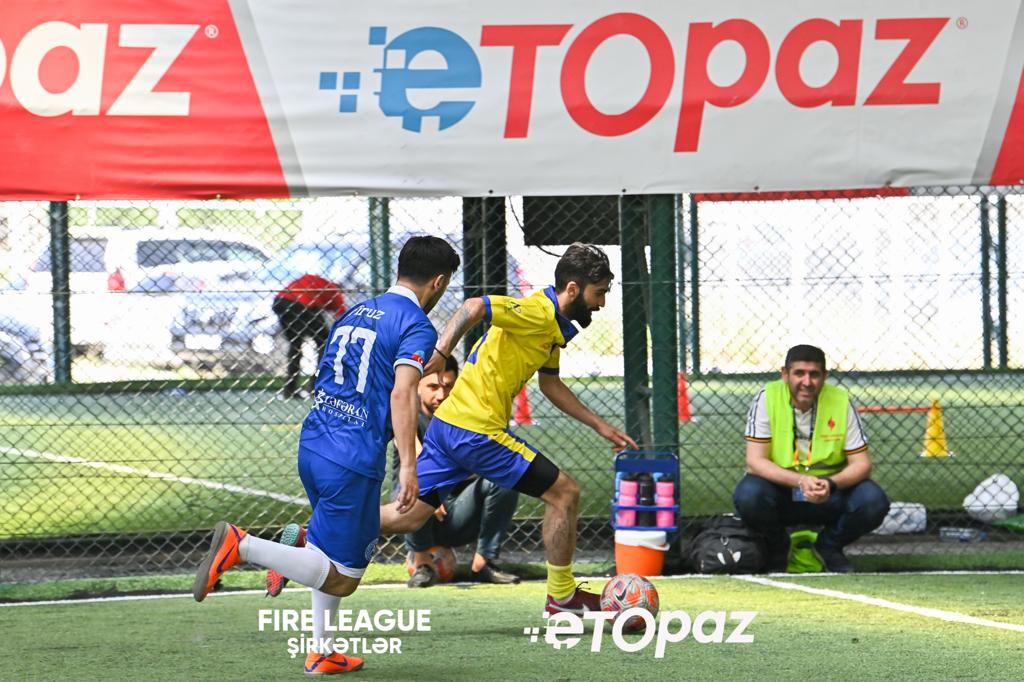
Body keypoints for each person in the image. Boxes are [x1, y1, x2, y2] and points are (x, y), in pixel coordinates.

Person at [192, 236, 459, 675]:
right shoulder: (416, 323)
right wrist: (409, 466)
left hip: (315, 444)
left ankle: (323, 651)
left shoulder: (356, 311)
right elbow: (402, 393)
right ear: (439, 281)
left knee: (327, 551)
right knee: (342, 578)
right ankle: (242, 546)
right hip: (352, 459)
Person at [379, 243, 637, 614]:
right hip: (475, 431)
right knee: (564, 494)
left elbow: (550, 384)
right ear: (573, 289)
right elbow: (473, 307)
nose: (602, 302)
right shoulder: (536, 312)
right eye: (599, 293)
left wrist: (600, 426)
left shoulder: (553, 325)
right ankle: (562, 596)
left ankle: (318, 534)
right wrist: (440, 353)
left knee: (405, 517)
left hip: (450, 426)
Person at [733, 344, 890, 573]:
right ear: (785, 374)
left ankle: (828, 547)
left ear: (824, 376)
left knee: (873, 500)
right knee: (749, 495)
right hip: (782, 490)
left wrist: (830, 483)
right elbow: (755, 461)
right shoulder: (767, 398)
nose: (807, 382)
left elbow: (862, 464)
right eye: (799, 373)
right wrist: (800, 481)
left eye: (814, 374)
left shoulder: (841, 401)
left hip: (829, 491)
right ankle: (779, 548)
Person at [395, 355, 522, 588]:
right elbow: (415, 457)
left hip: (460, 512)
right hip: (419, 512)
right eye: (433, 387)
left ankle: (483, 564)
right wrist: (434, 490)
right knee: (416, 482)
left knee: (505, 478)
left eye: (448, 386)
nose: (441, 395)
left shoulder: (468, 415)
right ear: (418, 386)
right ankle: (423, 565)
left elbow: (486, 463)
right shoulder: (405, 413)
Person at [272, 273, 347, 399]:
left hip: (281, 302)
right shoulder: (335, 292)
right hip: (302, 305)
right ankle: (315, 386)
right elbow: (344, 316)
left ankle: (289, 390)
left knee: (295, 345)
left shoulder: (321, 283)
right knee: (325, 343)